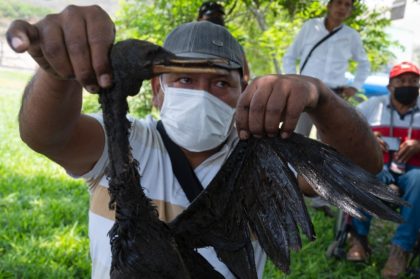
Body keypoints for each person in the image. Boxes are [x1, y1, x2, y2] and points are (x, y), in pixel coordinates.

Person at [7, 5, 382, 279]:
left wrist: (321, 96)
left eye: (220, 82)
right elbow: (44, 134)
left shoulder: (261, 161)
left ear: (243, 90)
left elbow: (362, 169)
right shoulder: (120, 144)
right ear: (157, 90)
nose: (202, 92)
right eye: (185, 80)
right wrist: (57, 72)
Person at [347, 61, 420, 279]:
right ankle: (358, 239)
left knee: (419, 178)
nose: (408, 85)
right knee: (362, 173)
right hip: (379, 169)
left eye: (413, 81)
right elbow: (347, 130)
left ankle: (401, 249)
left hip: (412, 174)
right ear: (390, 85)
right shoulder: (371, 106)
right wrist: (367, 139)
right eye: (401, 81)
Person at [282, 0, 370, 137]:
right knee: (296, 135)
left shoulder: (352, 36)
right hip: (306, 91)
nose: (342, 8)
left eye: (347, 5)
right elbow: (289, 56)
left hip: (335, 95)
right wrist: (295, 81)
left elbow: (364, 64)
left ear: (350, 10)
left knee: (329, 140)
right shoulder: (310, 27)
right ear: (329, 5)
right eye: (339, 3)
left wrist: (355, 87)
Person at [197, 1, 251, 82]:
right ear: (199, 19)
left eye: (218, 16)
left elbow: (245, 75)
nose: (215, 20)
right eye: (211, 16)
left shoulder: (232, 43)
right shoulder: (191, 41)